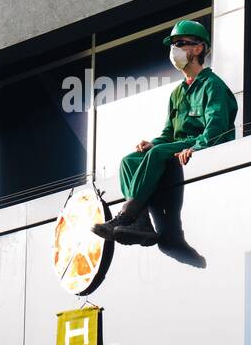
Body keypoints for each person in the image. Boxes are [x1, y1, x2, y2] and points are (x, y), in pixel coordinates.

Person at [92, 20, 237, 246]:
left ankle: (126, 215)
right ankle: (143, 224)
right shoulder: (177, 93)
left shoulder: (213, 85)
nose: (174, 49)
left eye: (180, 43)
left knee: (158, 153)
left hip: (197, 143)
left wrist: (196, 148)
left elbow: (216, 130)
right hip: (173, 147)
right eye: (172, 44)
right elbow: (168, 133)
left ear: (198, 49)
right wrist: (152, 143)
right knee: (129, 161)